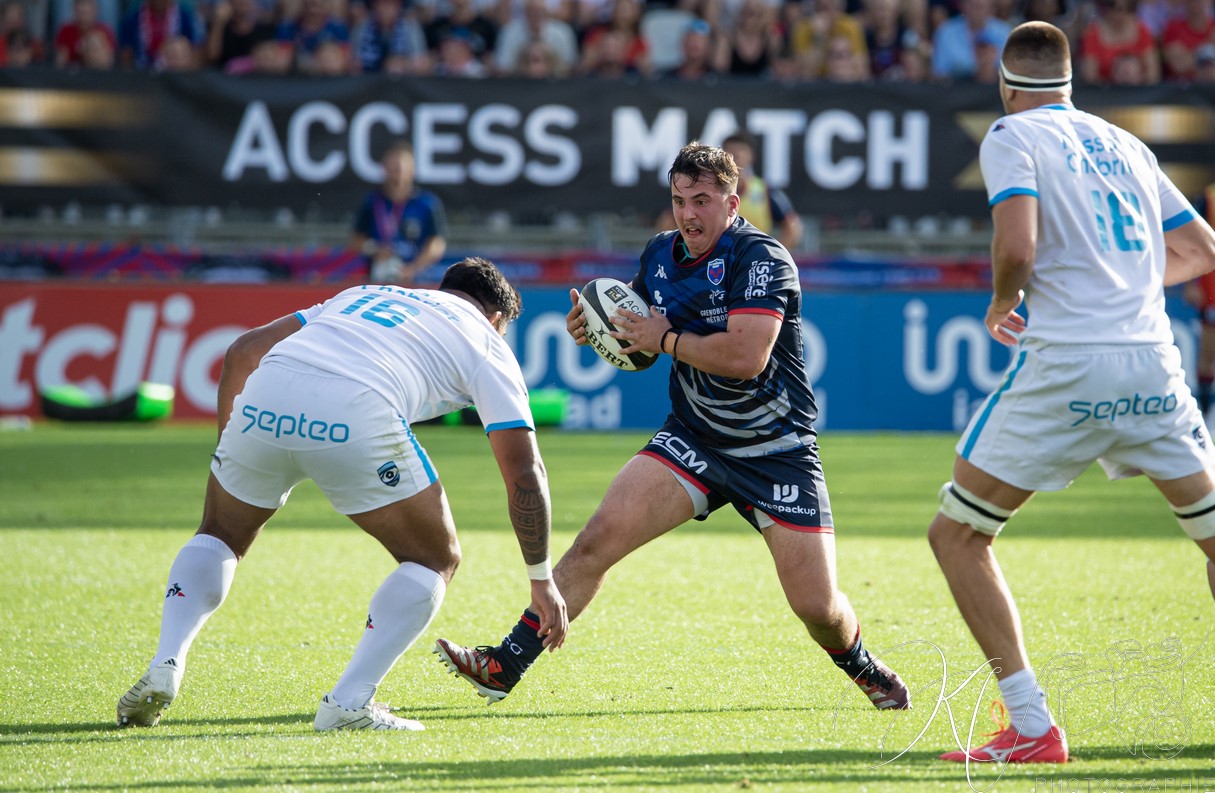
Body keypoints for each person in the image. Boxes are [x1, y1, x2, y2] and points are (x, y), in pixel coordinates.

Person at [433, 142, 911, 713]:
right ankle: (504, 665)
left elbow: (746, 356)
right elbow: (640, 335)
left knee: (817, 607)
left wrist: (662, 338)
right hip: (694, 438)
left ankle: (861, 665)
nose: (688, 213)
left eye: (703, 200)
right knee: (594, 543)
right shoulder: (661, 254)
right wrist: (599, 329)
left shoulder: (762, 258)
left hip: (776, 451)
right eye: (680, 199)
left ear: (732, 203)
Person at [116, 257, 568, 731]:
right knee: (434, 558)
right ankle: (348, 703)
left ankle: (166, 664)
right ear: (496, 318)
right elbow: (523, 470)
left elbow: (243, 350)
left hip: (266, 394)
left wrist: (232, 451)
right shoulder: (485, 342)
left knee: (220, 535)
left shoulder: (364, 294)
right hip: (356, 408)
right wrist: (540, 578)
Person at [927, 21, 1215, 765]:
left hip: (1067, 365)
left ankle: (1030, 725)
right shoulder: (1125, 143)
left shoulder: (1010, 136)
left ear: (1003, 83)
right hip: (1152, 362)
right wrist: (1113, 283)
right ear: (1068, 82)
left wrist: (1001, 301)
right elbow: (1200, 250)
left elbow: (1016, 245)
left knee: (958, 533)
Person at [350, 142, 448, 285]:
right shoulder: (373, 202)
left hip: (417, 281)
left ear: (412, 170)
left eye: (401, 167)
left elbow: (437, 244)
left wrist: (413, 268)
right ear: (384, 169)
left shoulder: (427, 203)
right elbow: (355, 240)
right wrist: (374, 249)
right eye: (393, 167)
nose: (398, 172)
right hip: (378, 280)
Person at [1184, 182, 1215, 418]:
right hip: (1211, 285)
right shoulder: (1208, 197)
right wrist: (1191, 283)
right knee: (1209, 351)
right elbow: (1190, 241)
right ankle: (1206, 415)